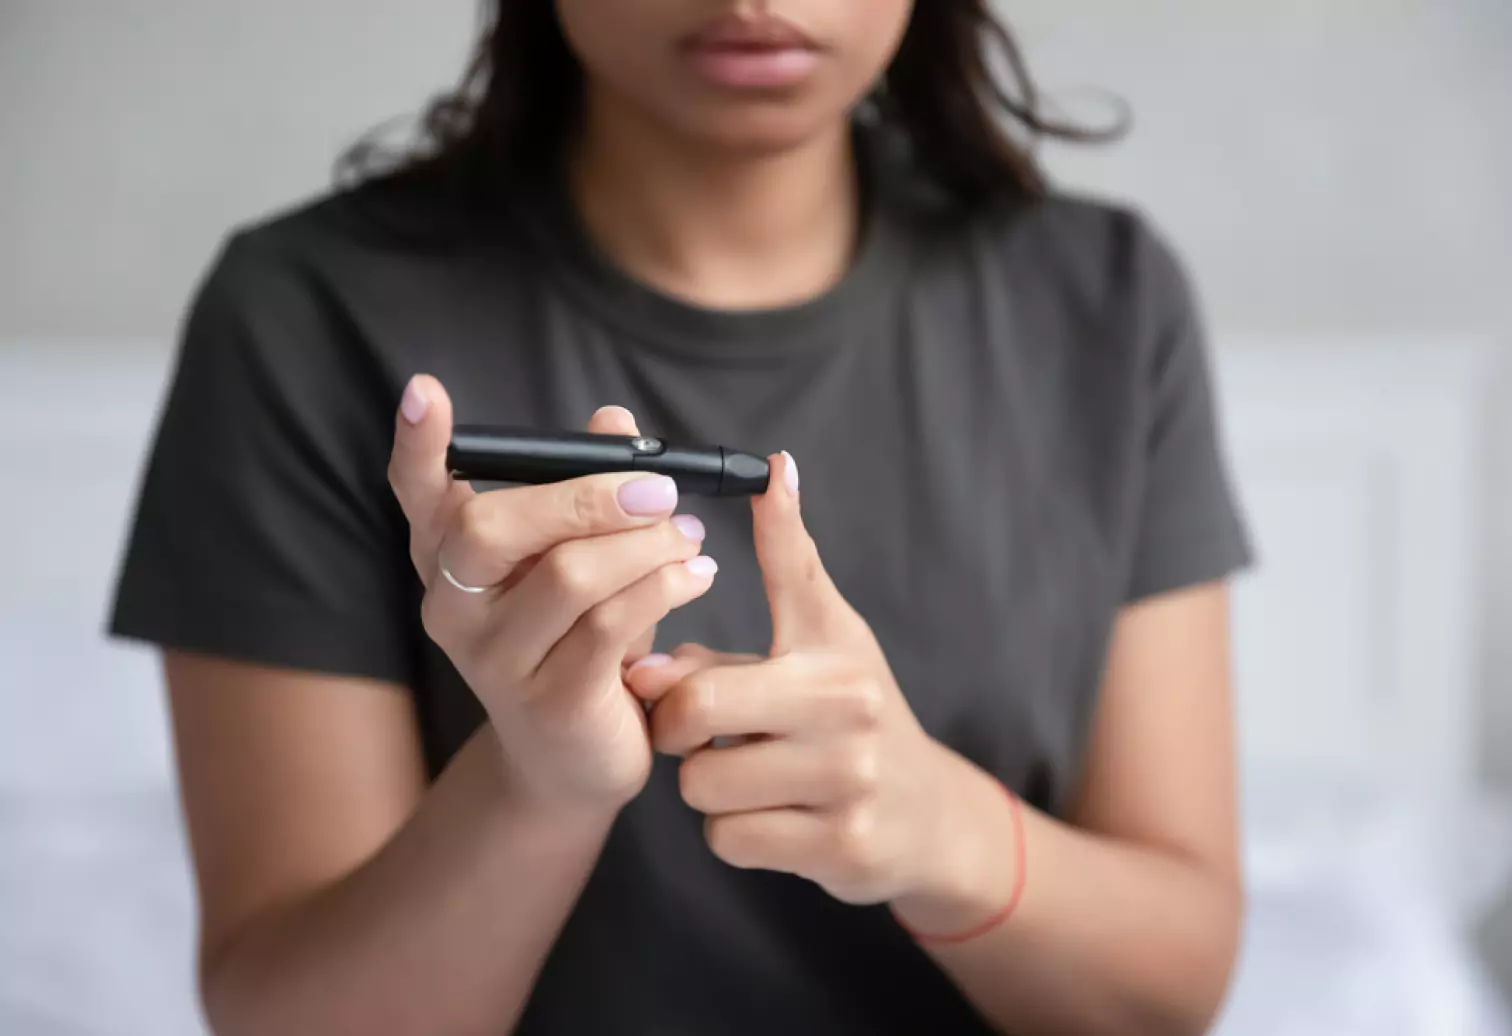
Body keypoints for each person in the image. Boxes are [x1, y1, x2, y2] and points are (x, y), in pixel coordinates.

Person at [110, 2, 1254, 1033]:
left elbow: (1169, 989)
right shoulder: (305, 316)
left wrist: (935, 825)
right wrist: (538, 785)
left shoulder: (1102, 300)